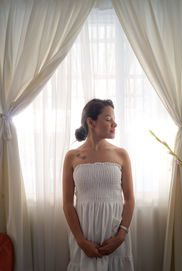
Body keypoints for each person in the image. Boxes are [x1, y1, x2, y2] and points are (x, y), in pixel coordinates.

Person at [63, 98, 135, 270]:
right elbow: (67, 204)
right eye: (109, 119)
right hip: (84, 237)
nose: (115, 124)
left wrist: (121, 236)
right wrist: (81, 241)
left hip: (115, 235)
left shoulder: (121, 154)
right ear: (91, 122)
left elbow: (130, 199)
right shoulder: (72, 157)